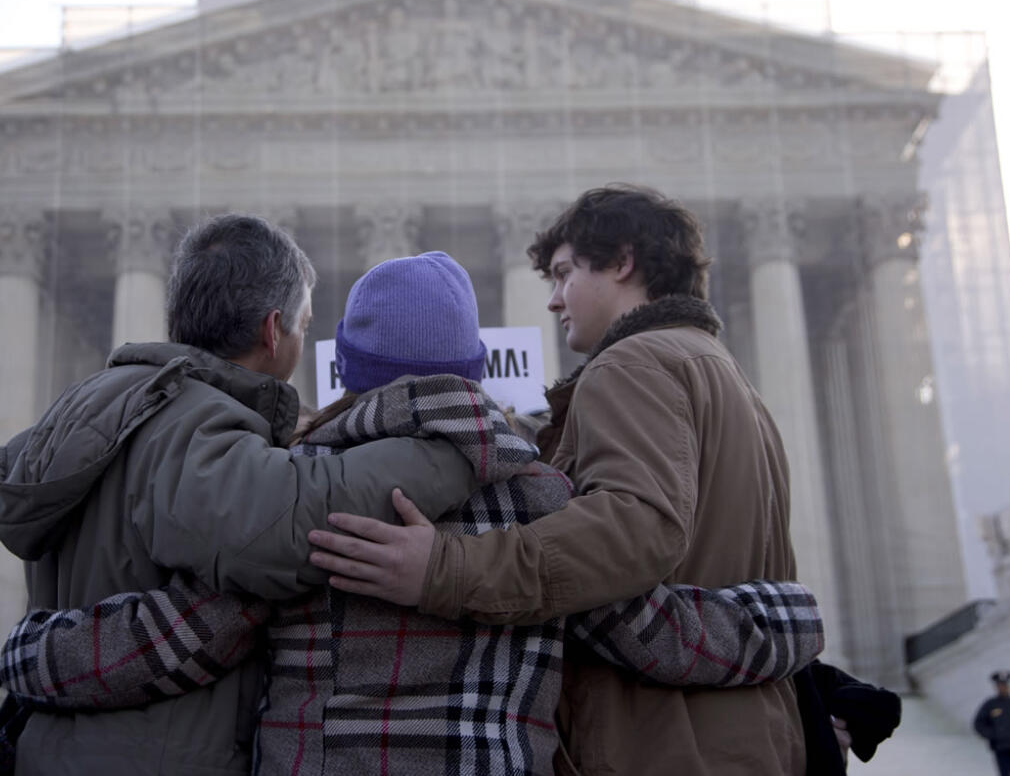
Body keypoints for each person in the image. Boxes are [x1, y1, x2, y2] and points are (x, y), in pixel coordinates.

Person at [0, 251, 826, 775]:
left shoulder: (306, 493)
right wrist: (791, 619)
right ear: (471, 368)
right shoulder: (534, 498)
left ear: (348, 368)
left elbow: (174, 638)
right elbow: (662, 634)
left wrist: (31, 653)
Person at [310, 186, 808, 774]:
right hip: (742, 724)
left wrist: (446, 567)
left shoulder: (633, 363)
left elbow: (629, 535)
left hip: (660, 734)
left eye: (565, 273)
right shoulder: (730, 379)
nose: (551, 301)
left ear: (622, 261)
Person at [0, 215, 483, 775]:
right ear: (273, 330)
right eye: (303, 326)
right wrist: (453, 443)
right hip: (152, 756)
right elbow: (291, 524)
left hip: (66, 748)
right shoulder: (189, 418)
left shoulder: (105, 400)